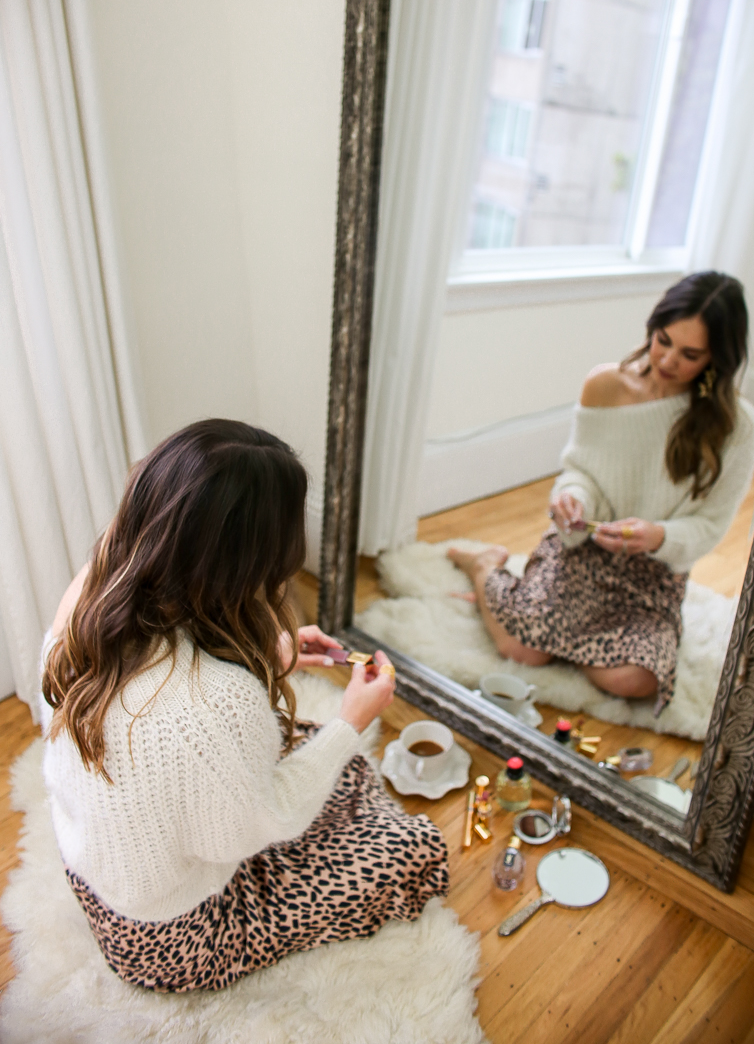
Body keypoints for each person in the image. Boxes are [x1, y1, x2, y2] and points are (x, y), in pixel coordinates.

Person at [41, 420, 449, 992]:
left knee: (327, 766)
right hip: (171, 937)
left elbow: (156, 708)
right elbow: (255, 829)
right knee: (414, 851)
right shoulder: (217, 701)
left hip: (95, 869)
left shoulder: (97, 585)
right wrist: (351, 721)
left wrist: (274, 654)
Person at [448, 271, 754, 713]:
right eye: (662, 339)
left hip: (652, 572)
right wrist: (573, 499)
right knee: (522, 651)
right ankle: (484, 566)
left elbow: (711, 526)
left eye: (690, 354)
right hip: (582, 550)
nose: (667, 360)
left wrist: (657, 536)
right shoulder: (605, 385)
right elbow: (580, 472)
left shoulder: (736, 427)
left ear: (718, 358)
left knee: (635, 680)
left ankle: (550, 624)